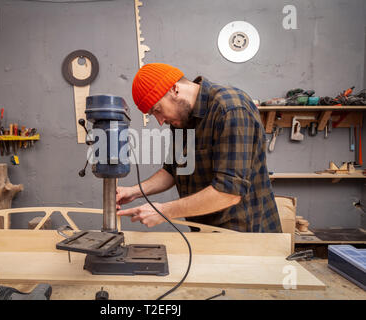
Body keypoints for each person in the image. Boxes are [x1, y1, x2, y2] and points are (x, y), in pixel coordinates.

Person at [116, 63, 282, 232]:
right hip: (206, 232)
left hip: (245, 236)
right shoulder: (181, 121)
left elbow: (229, 192)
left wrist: (163, 211)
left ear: (174, 89)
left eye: (158, 110)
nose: (160, 121)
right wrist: (134, 191)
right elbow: (174, 171)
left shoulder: (230, 108)